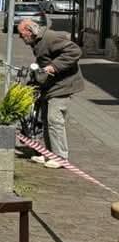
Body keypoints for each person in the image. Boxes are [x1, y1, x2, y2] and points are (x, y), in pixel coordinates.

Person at [17, 18, 83, 167]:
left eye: (21, 34)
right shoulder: (37, 41)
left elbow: (75, 51)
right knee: (46, 120)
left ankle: (60, 157)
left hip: (63, 85)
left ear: (29, 31)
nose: (20, 38)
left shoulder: (51, 37)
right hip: (50, 85)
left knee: (54, 119)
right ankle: (49, 154)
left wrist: (54, 67)